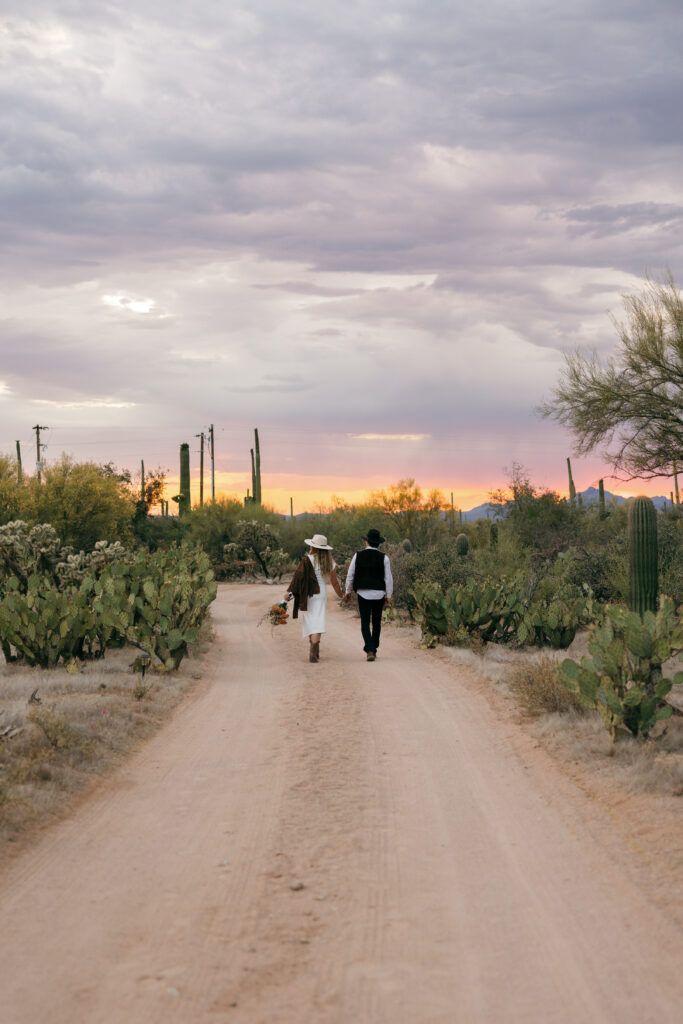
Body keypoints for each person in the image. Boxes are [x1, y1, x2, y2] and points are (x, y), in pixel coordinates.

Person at [285, 534, 343, 663]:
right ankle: (314, 651)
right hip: (321, 594)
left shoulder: (307, 559)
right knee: (318, 621)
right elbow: (334, 582)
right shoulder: (330, 562)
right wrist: (342, 595)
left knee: (311, 621)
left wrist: (289, 593)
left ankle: (313, 650)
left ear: (313, 546)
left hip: (309, 594)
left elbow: (298, 579)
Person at [343, 528, 393, 661]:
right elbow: (388, 578)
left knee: (365, 622)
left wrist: (347, 592)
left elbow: (350, 575)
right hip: (378, 594)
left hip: (363, 593)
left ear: (367, 542)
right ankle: (373, 648)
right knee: (376, 622)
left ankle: (369, 649)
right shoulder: (384, 558)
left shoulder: (357, 555)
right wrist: (388, 595)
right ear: (378, 543)